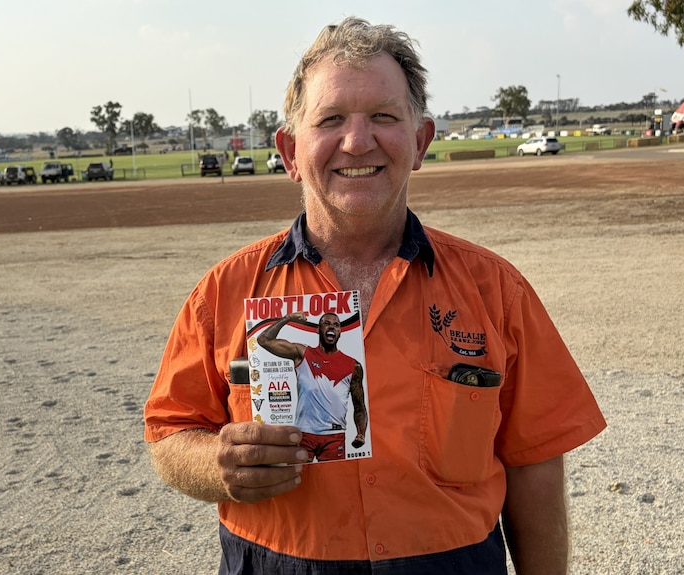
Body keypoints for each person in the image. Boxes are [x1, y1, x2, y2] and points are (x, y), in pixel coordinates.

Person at [144, 16, 606, 574]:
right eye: (331, 119)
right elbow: (169, 434)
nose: (357, 141)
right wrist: (218, 464)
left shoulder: (497, 292)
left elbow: (535, 465)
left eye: (383, 117)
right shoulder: (224, 293)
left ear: (420, 141)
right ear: (290, 152)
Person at [256, 312, 367, 461]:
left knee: (334, 481)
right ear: (318, 329)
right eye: (327, 323)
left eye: (336, 325)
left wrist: (361, 434)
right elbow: (263, 340)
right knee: (300, 480)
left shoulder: (354, 366)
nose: (332, 327)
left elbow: (359, 406)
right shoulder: (302, 353)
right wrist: (288, 319)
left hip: (334, 437)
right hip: (304, 434)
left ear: (340, 332)